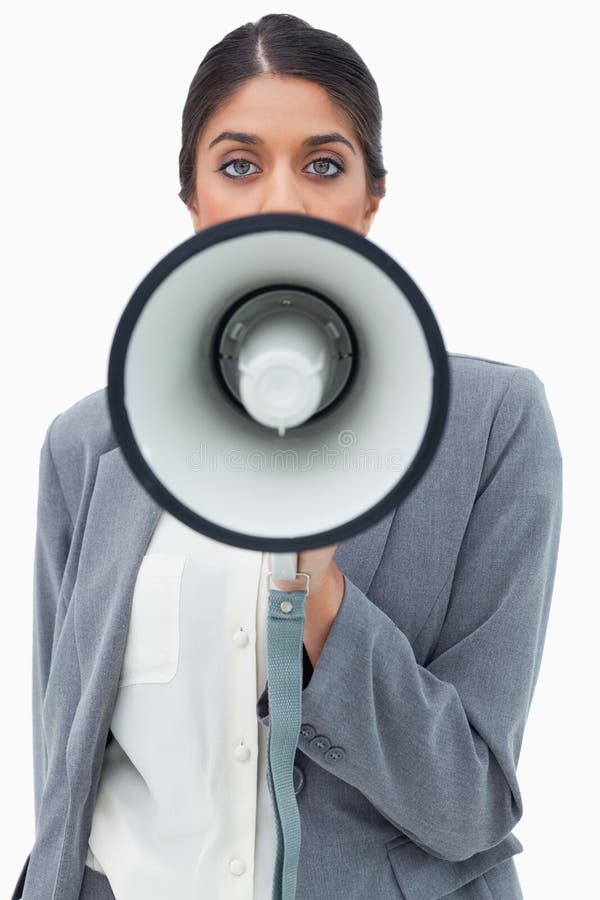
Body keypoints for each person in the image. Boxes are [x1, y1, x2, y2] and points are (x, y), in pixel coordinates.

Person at [12, 13, 563, 900]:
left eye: (323, 164)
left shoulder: (489, 427)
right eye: (238, 166)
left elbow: (471, 807)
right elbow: (62, 781)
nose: (281, 200)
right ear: (193, 201)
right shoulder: (89, 448)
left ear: (370, 198)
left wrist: (323, 601)